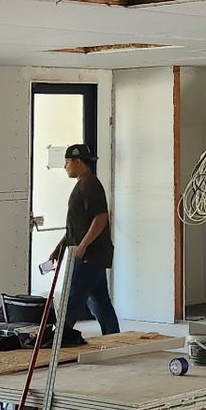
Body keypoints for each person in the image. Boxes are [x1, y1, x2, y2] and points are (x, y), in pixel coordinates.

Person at [48, 143, 119, 336]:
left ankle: (57, 339)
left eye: (67, 162)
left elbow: (101, 217)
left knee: (72, 298)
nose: (65, 166)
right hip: (89, 254)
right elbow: (78, 224)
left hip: (88, 255)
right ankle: (114, 336)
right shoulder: (83, 184)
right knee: (99, 301)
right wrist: (61, 245)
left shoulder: (89, 184)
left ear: (78, 161)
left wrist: (82, 246)